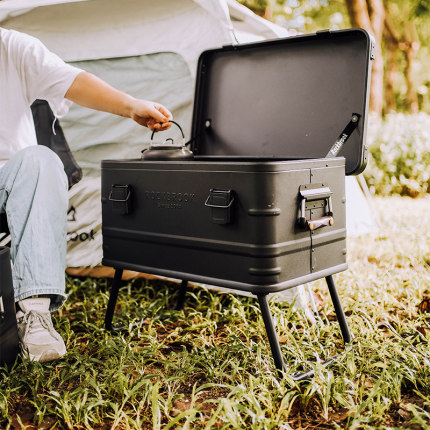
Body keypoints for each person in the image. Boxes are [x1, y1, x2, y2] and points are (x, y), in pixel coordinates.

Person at [0, 27, 172, 362]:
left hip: (8, 178)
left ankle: (35, 315)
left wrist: (131, 105)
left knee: (41, 160)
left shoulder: (11, 47)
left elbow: (71, 80)